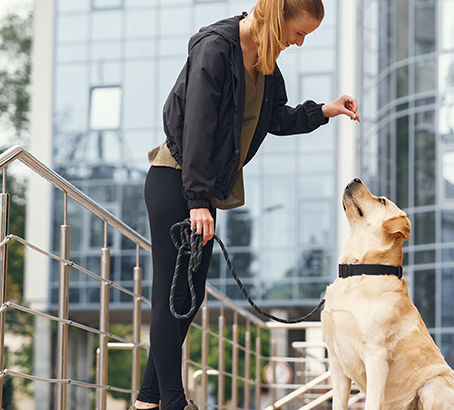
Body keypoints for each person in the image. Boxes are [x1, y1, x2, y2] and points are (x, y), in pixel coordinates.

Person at [131, 0, 358, 408]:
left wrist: (325, 110)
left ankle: (149, 400)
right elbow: (197, 124)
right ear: (278, 17)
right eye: (299, 32)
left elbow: (273, 119)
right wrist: (198, 198)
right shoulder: (216, 48)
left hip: (200, 191)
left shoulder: (266, 63)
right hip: (175, 181)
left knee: (190, 295)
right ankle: (171, 402)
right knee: (172, 292)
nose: (300, 43)